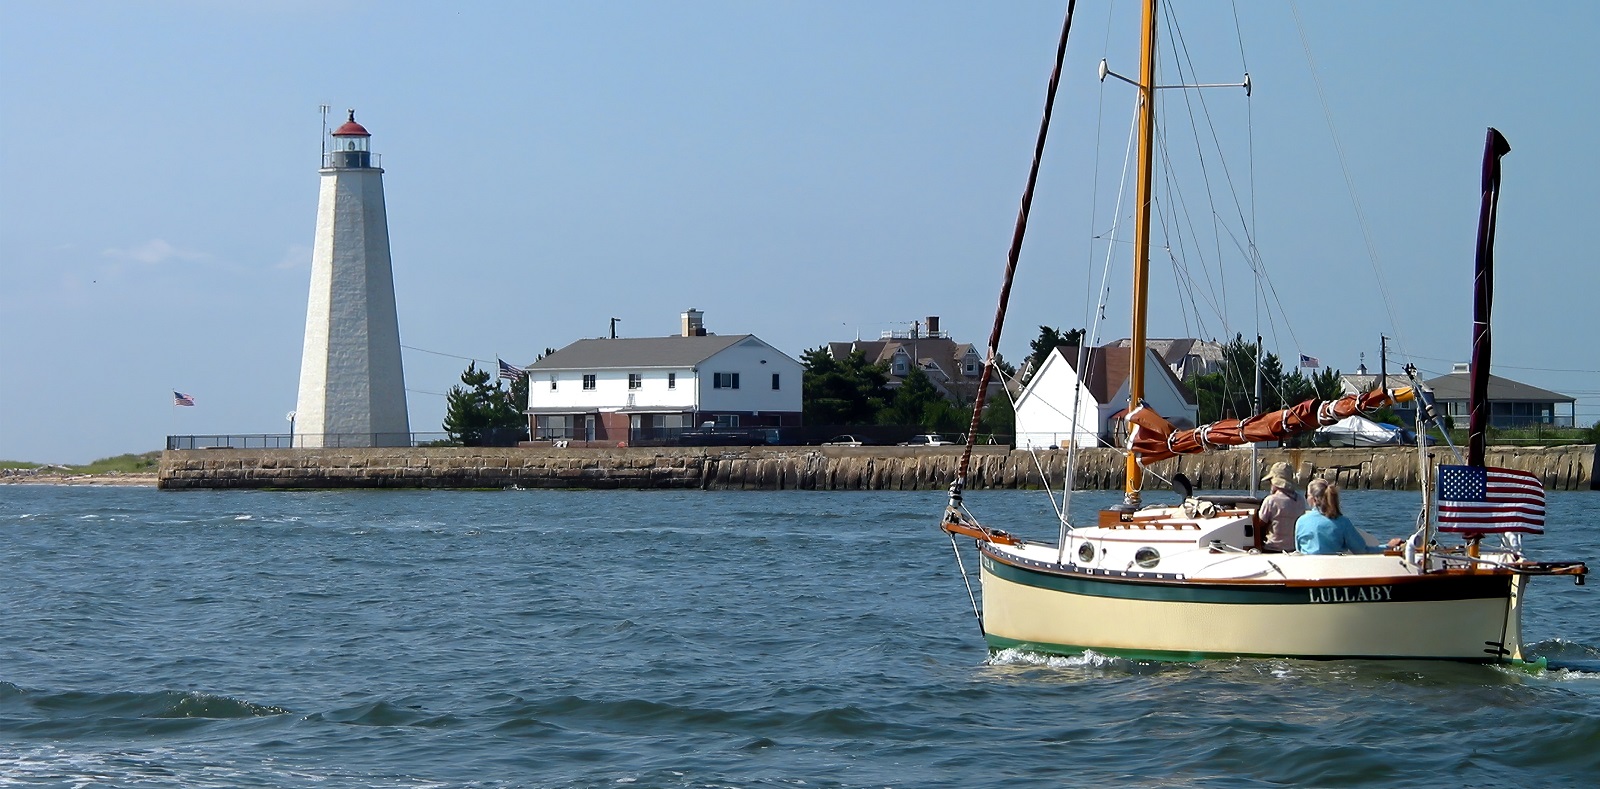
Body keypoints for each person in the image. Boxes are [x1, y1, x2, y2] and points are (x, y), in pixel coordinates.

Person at [1295, 478, 1405, 554]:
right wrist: (1389, 547)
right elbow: (1362, 551)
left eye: (1306, 495)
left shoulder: (1301, 521)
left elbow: (1299, 549)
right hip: (1333, 572)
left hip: (1308, 571)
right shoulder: (1342, 522)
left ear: (1313, 499)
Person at [1256, 462, 1306, 552]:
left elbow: (1259, 525)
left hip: (1272, 548)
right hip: (1293, 549)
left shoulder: (1271, 500)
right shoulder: (1300, 500)